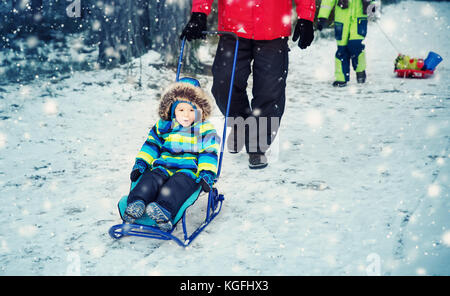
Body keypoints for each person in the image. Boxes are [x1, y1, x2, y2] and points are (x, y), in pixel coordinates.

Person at [180, 0, 316, 169]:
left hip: (273, 26)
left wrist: (306, 17)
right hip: (234, 26)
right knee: (225, 82)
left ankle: (258, 145)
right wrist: (199, 12)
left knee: (270, 90)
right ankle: (240, 123)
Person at [123, 78, 220, 232]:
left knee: (176, 186)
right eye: (181, 110)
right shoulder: (164, 125)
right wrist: (141, 163)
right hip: (163, 166)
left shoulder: (204, 128)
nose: (186, 115)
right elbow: (151, 145)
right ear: (172, 110)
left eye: (191, 110)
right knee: (150, 179)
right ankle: (136, 203)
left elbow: (209, 152)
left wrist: (207, 173)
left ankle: (163, 210)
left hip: (188, 171)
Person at [317, 0, 376, 87]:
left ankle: (360, 71)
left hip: (358, 19)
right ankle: (341, 78)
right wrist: (323, 17)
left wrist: (371, 8)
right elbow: (328, 1)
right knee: (342, 49)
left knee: (356, 46)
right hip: (342, 20)